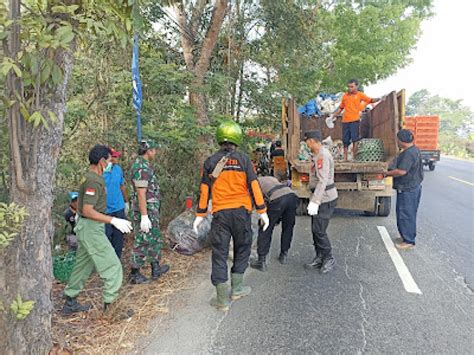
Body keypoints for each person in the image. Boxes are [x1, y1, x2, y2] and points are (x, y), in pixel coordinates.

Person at [193, 121, 270, 311]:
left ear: (220, 138)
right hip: (241, 213)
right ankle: (237, 289)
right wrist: (262, 211)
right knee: (242, 248)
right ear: (237, 138)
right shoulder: (244, 160)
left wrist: (200, 215)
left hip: (220, 215)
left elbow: (204, 190)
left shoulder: (210, 162)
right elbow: (254, 186)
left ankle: (221, 300)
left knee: (219, 253)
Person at [62, 145, 132, 315]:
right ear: (102, 162)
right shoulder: (93, 180)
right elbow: (87, 210)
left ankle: (70, 300)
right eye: (109, 160)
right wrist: (113, 220)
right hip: (91, 228)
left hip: (87, 227)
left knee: (83, 265)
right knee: (113, 266)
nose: (111, 163)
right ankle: (111, 307)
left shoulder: (89, 177)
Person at [129, 139, 170, 284]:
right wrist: (144, 216)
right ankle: (134, 272)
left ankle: (155, 267)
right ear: (149, 151)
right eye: (154, 150)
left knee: (154, 238)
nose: (155, 153)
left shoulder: (145, 165)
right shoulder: (141, 168)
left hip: (150, 209)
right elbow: (141, 193)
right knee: (142, 240)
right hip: (144, 209)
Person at [303, 131, 338, 274]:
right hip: (319, 197)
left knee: (319, 230)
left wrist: (316, 201)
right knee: (315, 230)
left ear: (311, 141)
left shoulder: (322, 155)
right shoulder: (317, 154)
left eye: (307, 142)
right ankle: (320, 256)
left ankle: (328, 258)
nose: (306, 144)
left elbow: (323, 180)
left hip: (325, 198)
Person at [385, 129, 424, 250]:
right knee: (405, 213)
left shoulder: (409, 154)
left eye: (397, 139)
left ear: (401, 141)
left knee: (406, 214)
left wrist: (386, 174)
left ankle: (409, 241)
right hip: (411, 187)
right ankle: (405, 237)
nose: (396, 141)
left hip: (408, 189)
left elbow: (401, 171)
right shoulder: (413, 150)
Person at [250, 176, 298, 271]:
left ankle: (261, 261)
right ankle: (284, 255)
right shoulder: (269, 178)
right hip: (292, 196)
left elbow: (256, 202)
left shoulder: (252, 183)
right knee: (288, 227)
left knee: (265, 228)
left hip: (277, 199)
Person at [329, 79, 380, 161]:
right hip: (345, 121)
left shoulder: (360, 95)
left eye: (352, 87)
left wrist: (379, 99)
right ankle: (345, 158)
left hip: (355, 120)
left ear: (356, 86)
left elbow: (370, 100)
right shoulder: (345, 96)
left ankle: (354, 158)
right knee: (345, 140)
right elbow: (341, 108)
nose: (350, 88)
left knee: (354, 139)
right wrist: (333, 116)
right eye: (349, 87)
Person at [104, 148, 129, 259]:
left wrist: (126, 201)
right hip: (105, 210)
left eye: (116, 157)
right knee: (106, 235)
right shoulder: (100, 171)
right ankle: (107, 260)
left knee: (119, 236)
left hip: (118, 207)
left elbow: (122, 185)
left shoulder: (118, 169)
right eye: (113, 157)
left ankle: (117, 260)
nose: (115, 159)